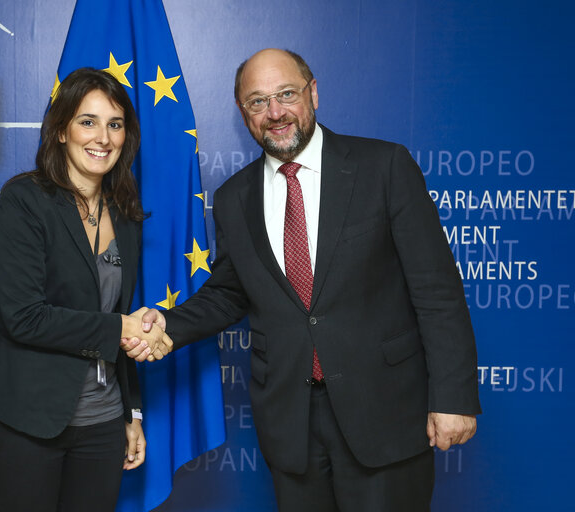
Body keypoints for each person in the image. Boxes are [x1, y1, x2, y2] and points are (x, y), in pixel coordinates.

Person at [125, 49, 480, 511]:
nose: (275, 112)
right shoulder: (234, 197)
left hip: (385, 413)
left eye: (286, 94)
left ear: (313, 93)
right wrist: (168, 326)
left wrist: (453, 397)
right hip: (291, 424)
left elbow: (437, 290)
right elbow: (231, 291)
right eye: (257, 101)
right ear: (243, 113)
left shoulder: (384, 167)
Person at [0, 67, 172, 512]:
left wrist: (130, 413)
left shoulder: (125, 212)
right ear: (60, 130)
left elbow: (118, 316)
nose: (103, 137)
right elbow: (24, 317)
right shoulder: (25, 200)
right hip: (29, 420)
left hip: (102, 424)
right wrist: (121, 327)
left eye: (115, 124)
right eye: (87, 121)